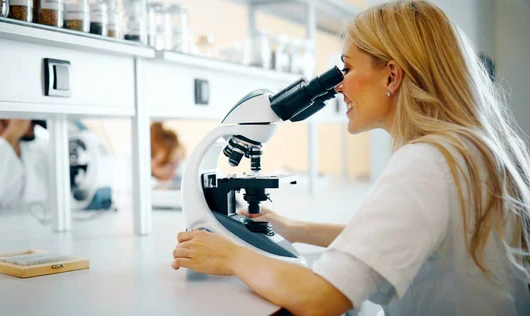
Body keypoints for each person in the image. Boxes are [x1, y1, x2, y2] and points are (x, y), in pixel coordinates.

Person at [171, 1, 530, 315]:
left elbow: (321, 299)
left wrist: (230, 256)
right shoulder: (469, 149)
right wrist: (299, 230)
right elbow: (402, 238)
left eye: (347, 68)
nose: (339, 86)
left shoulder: (428, 162)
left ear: (391, 75)